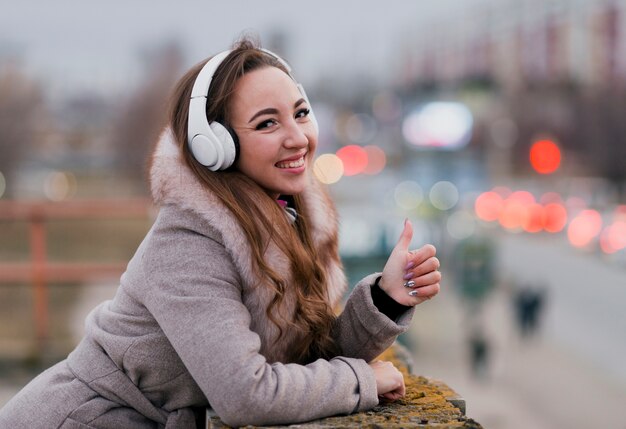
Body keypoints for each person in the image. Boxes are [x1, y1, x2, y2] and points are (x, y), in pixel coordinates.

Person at [0, 37, 441, 428]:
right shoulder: (188, 244)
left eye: (301, 113)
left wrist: (385, 298)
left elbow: (304, 361)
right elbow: (246, 395)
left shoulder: (286, 217)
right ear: (214, 146)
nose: (298, 137)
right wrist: (359, 381)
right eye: (267, 123)